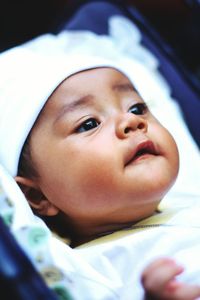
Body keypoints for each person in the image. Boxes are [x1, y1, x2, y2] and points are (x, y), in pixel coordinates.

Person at [1, 49, 200, 299]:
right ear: (36, 195)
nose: (132, 121)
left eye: (137, 108)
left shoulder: (192, 202)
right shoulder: (89, 275)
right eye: (89, 124)